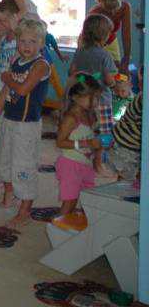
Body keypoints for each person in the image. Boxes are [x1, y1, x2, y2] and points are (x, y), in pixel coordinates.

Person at [0, 19, 50, 229]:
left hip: (27, 126)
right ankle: (9, 193)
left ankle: (25, 212)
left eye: (33, 41)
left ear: (41, 43)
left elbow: (23, 89)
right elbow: (4, 92)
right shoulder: (16, 61)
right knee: (5, 160)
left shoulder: (41, 65)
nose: (27, 46)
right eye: (23, 41)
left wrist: (6, 77)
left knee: (24, 166)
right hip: (9, 120)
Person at [70, 14, 117, 175]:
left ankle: (81, 162)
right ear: (103, 35)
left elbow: (72, 73)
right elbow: (109, 80)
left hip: (83, 101)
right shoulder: (105, 56)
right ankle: (98, 164)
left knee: (85, 131)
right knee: (104, 134)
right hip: (101, 102)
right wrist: (115, 83)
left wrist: (86, 78)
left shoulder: (80, 52)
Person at [53, 73, 102, 219]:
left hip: (85, 164)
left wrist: (98, 146)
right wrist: (86, 143)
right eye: (91, 97)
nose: (95, 102)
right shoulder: (71, 118)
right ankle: (58, 226)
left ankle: (68, 224)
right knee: (69, 202)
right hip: (70, 164)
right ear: (75, 97)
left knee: (86, 198)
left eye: (97, 97)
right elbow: (60, 142)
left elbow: (89, 139)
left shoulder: (89, 115)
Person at [88, 0, 132, 74]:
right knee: (98, 74)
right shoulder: (93, 14)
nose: (112, 13)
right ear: (101, 4)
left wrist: (127, 59)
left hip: (111, 41)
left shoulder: (125, 7)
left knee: (116, 72)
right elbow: (87, 39)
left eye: (115, 9)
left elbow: (126, 33)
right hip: (96, 44)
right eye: (108, 10)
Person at [110, 87, 142, 181]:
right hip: (125, 144)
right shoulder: (143, 99)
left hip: (131, 143)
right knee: (126, 180)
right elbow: (144, 128)